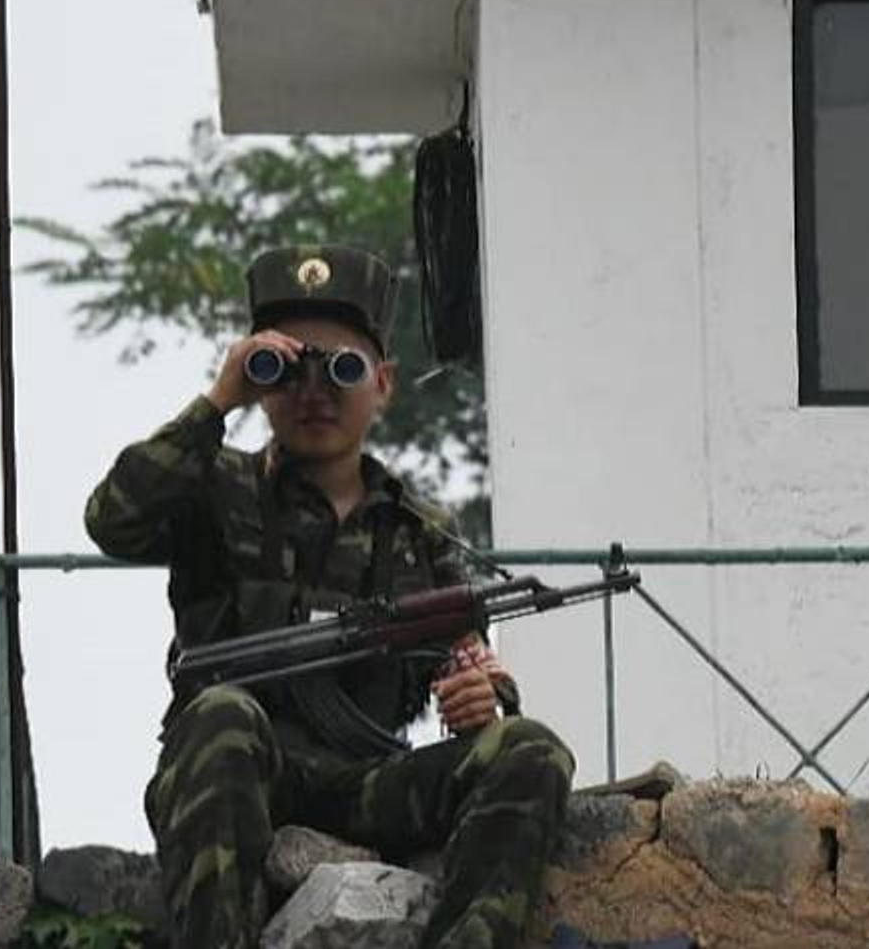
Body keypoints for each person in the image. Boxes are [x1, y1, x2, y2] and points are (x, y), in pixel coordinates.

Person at [86, 245, 575, 949]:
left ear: (383, 383)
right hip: (236, 770)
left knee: (531, 750)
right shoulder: (215, 487)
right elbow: (112, 520)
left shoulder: (420, 530)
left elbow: (467, 658)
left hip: (367, 781)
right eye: (287, 368)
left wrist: (483, 696)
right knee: (222, 714)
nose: (314, 391)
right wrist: (218, 402)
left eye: (343, 369)